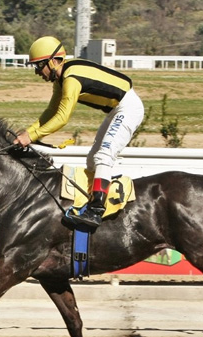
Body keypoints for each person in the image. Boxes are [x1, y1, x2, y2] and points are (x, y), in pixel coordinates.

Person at [13, 36, 145, 229]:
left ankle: (96, 210)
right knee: (92, 160)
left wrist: (31, 137)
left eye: (38, 66)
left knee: (103, 156)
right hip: (117, 109)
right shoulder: (61, 79)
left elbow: (62, 118)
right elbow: (51, 112)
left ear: (52, 61)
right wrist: (28, 132)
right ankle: (96, 200)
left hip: (128, 108)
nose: (37, 72)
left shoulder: (71, 80)